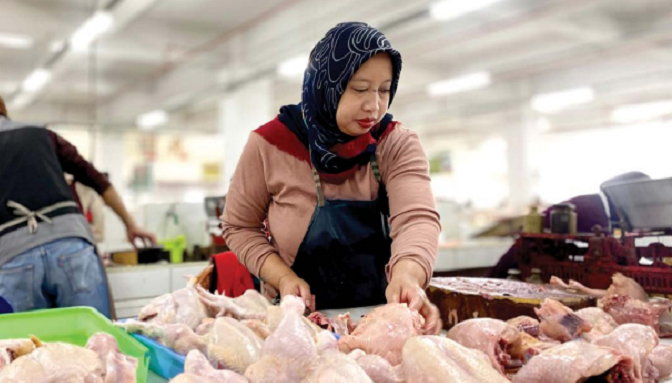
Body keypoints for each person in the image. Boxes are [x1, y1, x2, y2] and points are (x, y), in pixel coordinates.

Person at [221, 22, 441, 314]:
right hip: (297, 317)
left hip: (379, 314)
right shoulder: (270, 144)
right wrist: (282, 277)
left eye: (384, 90)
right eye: (360, 89)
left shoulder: (394, 143)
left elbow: (417, 218)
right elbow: (240, 226)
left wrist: (407, 274)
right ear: (327, 84)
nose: (374, 106)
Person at [0, 92, 156, 316]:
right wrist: (130, 224)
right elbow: (98, 181)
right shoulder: (42, 134)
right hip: (71, 247)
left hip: (13, 255)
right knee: (96, 341)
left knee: (28, 352)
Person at [489, 171, 651, 278]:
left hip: (544, 256)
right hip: (531, 256)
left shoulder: (600, 206)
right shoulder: (592, 209)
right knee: (496, 277)